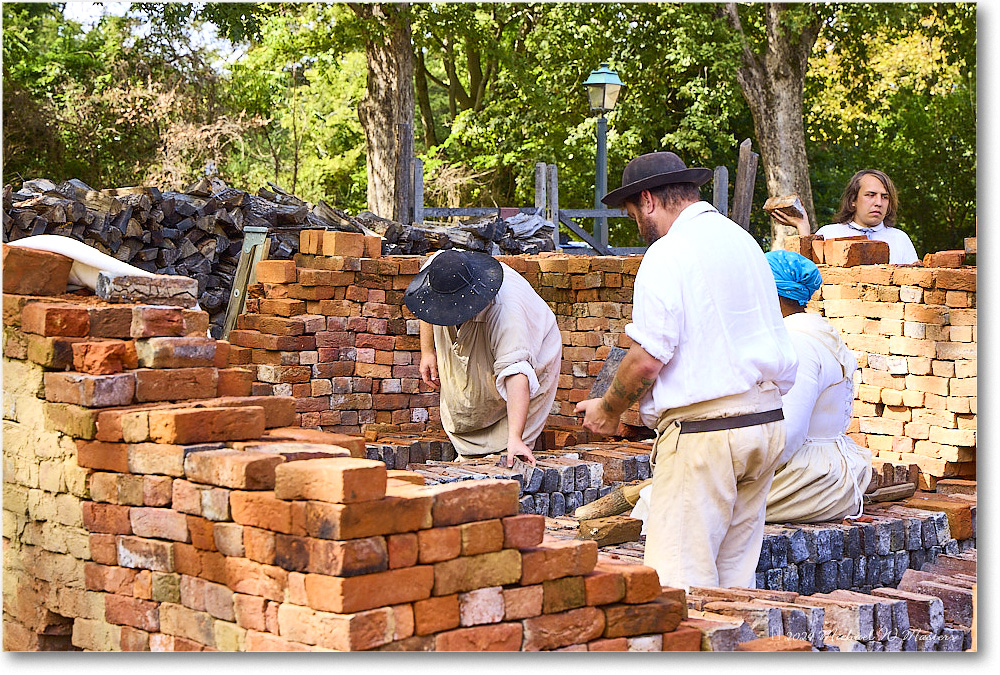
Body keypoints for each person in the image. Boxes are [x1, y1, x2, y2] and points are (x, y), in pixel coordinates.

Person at [575, 151, 798, 591]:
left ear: (649, 200)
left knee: (680, 587)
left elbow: (646, 358)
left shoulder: (669, 252)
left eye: (633, 212)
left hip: (706, 435)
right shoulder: (743, 241)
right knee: (734, 584)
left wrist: (607, 409)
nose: (637, 223)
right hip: (764, 422)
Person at [404, 249, 562, 467]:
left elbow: (517, 375)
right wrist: (427, 351)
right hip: (476, 332)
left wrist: (515, 438)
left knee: (509, 454)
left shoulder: (506, 310)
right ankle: (468, 463)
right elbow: (425, 304)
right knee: (467, 403)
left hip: (533, 350)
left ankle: (507, 454)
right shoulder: (438, 269)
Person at [762, 250, 873, 523]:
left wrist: (743, 473)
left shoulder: (797, 342)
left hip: (812, 478)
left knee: (683, 505)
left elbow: (790, 434)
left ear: (768, 293)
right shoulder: (816, 332)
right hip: (831, 468)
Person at [772, 169, 919, 264]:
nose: (878, 203)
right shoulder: (830, 233)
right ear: (853, 200)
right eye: (871, 195)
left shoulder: (900, 239)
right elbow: (809, 273)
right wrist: (803, 227)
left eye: (885, 197)